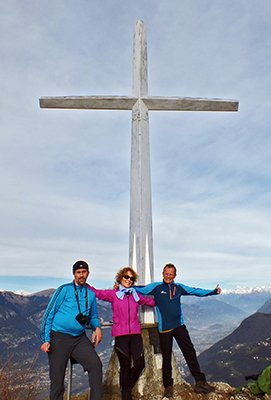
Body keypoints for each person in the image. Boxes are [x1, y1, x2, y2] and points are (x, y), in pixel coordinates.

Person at [134, 263, 221, 397]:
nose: (168, 276)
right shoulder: (156, 287)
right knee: (166, 358)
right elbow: (141, 290)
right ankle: (168, 386)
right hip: (165, 329)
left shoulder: (178, 287)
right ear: (163, 274)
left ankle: (200, 382)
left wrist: (213, 292)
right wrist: (123, 287)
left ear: (175, 275)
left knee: (190, 352)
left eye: (171, 274)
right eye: (166, 273)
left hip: (179, 326)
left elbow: (195, 291)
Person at [88, 267, 155, 400]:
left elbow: (150, 302)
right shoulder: (114, 294)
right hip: (120, 334)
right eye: (126, 277)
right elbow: (98, 293)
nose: (128, 280)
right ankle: (126, 396)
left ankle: (126, 387)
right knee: (125, 367)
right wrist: (85, 283)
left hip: (135, 333)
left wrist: (162, 298)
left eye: (131, 278)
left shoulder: (135, 295)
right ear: (120, 278)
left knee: (139, 363)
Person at [40, 260, 103, 400]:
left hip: (79, 338)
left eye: (84, 272)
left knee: (95, 365)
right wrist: (45, 340)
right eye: (78, 272)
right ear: (74, 274)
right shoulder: (64, 290)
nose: (81, 275)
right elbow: (48, 314)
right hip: (59, 337)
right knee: (57, 380)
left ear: (88, 273)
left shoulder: (90, 294)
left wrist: (97, 327)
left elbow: (93, 316)